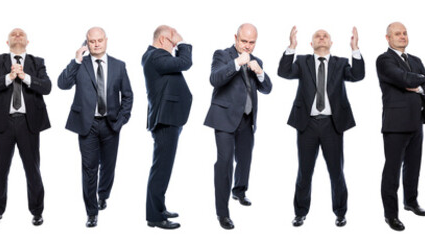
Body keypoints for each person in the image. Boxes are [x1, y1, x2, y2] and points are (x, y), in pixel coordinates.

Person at [278, 26, 364, 227]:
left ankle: (340, 212)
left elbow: (358, 76)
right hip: (307, 125)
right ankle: (300, 213)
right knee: (304, 172)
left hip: (332, 125)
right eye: (317, 35)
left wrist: (355, 49)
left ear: (331, 43)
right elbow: (283, 72)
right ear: (311, 44)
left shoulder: (341, 63)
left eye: (326, 35)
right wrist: (291, 47)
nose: (322, 37)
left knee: (336, 172)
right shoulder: (302, 61)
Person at [59, 26, 135, 228]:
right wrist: (76, 59)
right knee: (89, 168)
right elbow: (62, 84)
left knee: (108, 166)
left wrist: (120, 121)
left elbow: (127, 95)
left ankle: (103, 195)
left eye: (99, 40)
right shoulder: (80, 64)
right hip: (87, 125)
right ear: (86, 42)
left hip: (111, 125)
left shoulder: (119, 66)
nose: (96, 44)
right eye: (92, 41)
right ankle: (91, 212)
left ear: (106, 40)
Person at [206, 23, 273, 230]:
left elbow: (267, 88)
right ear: (236, 38)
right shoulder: (222, 55)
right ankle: (222, 213)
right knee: (224, 163)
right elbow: (214, 79)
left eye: (252, 43)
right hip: (224, 118)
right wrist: (236, 63)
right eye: (244, 41)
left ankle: (239, 191)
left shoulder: (256, 60)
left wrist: (260, 72)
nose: (247, 46)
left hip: (247, 119)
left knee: (245, 159)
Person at [0, 28, 51, 227]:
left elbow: (46, 87)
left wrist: (26, 77)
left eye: (21, 34)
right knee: (0, 169)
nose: (18, 35)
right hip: (2, 123)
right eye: (13, 34)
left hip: (28, 123)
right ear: (7, 42)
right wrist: (9, 77)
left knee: (33, 169)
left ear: (28, 42)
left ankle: (37, 212)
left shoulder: (37, 62)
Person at [377, 22, 425, 231]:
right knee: (392, 171)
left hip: (416, 121)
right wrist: (422, 81)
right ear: (388, 38)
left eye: (404, 33)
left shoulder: (415, 60)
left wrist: (418, 84)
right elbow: (401, 78)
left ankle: (410, 202)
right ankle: (391, 215)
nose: (402, 36)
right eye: (397, 34)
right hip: (395, 124)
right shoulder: (384, 60)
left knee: (413, 166)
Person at [141, 25, 192, 230]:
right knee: (161, 170)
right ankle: (154, 216)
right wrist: (183, 42)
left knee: (163, 169)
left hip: (169, 119)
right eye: (172, 43)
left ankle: (158, 208)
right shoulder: (155, 56)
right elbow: (185, 62)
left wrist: (176, 42)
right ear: (163, 41)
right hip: (165, 120)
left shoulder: (156, 56)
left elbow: (178, 64)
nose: (175, 47)